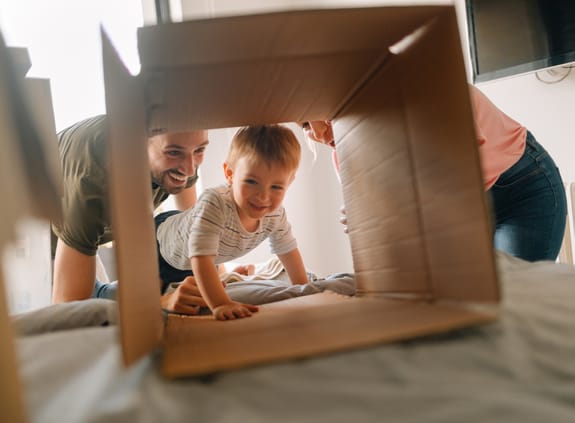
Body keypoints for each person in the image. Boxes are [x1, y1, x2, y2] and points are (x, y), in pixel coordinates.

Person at [303, 84, 567, 262]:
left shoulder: (412, 86)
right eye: (304, 125)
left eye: (325, 120)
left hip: (521, 190)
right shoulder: (347, 157)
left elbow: (454, 166)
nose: (317, 134)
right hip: (463, 211)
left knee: (514, 303)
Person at [51, 115, 210, 313]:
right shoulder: (94, 183)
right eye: (173, 152)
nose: (189, 169)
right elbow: (68, 309)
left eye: (200, 150)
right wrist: (161, 303)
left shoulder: (184, 147)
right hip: (28, 249)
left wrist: (218, 273)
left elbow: (196, 231)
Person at [154, 124, 309, 320]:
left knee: (190, 291)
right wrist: (221, 304)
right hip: (159, 245)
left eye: (276, 187)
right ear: (230, 173)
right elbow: (201, 258)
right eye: (251, 182)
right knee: (149, 304)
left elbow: (287, 250)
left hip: (189, 260)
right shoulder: (215, 203)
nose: (263, 196)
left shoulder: (275, 215)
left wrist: (304, 289)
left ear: (290, 182)